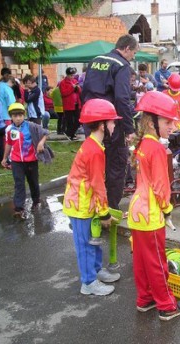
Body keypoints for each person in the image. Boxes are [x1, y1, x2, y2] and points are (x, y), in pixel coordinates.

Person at [127, 91, 180, 321]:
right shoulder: (158, 149)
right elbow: (162, 187)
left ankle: (145, 299)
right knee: (157, 262)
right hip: (151, 213)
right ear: (152, 122)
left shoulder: (143, 145)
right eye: (167, 121)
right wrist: (167, 208)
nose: (172, 125)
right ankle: (167, 305)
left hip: (137, 211)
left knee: (141, 260)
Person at [62, 99, 122, 296]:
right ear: (103, 125)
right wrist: (104, 213)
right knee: (86, 244)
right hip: (80, 206)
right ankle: (88, 282)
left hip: (87, 203)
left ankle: (96, 271)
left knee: (93, 241)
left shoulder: (93, 145)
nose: (114, 125)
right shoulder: (94, 150)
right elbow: (98, 185)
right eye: (112, 121)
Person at [81, 34, 138, 210]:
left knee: (94, 164)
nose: (133, 57)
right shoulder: (121, 66)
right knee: (117, 165)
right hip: (111, 123)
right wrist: (129, 129)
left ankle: (92, 204)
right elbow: (122, 98)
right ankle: (110, 208)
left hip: (91, 120)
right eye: (133, 52)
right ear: (127, 48)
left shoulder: (95, 60)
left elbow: (85, 91)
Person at [1, 103, 50, 219]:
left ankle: (36, 201)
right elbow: (9, 143)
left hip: (31, 160)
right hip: (16, 161)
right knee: (19, 183)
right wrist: (4, 158)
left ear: (24, 115)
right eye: (15, 116)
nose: (18, 118)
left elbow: (46, 133)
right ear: (11, 117)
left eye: (20, 115)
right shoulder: (9, 129)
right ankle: (19, 208)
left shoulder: (31, 126)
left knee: (33, 182)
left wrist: (41, 143)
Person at [60, 67, 81, 140]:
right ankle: (71, 134)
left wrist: (77, 88)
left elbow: (80, 92)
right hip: (68, 105)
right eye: (71, 75)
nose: (72, 77)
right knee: (70, 121)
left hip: (76, 104)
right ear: (67, 75)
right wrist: (72, 88)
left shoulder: (75, 81)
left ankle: (69, 132)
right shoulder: (63, 83)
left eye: (73, 75)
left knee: (78, 119)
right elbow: (63, 93)